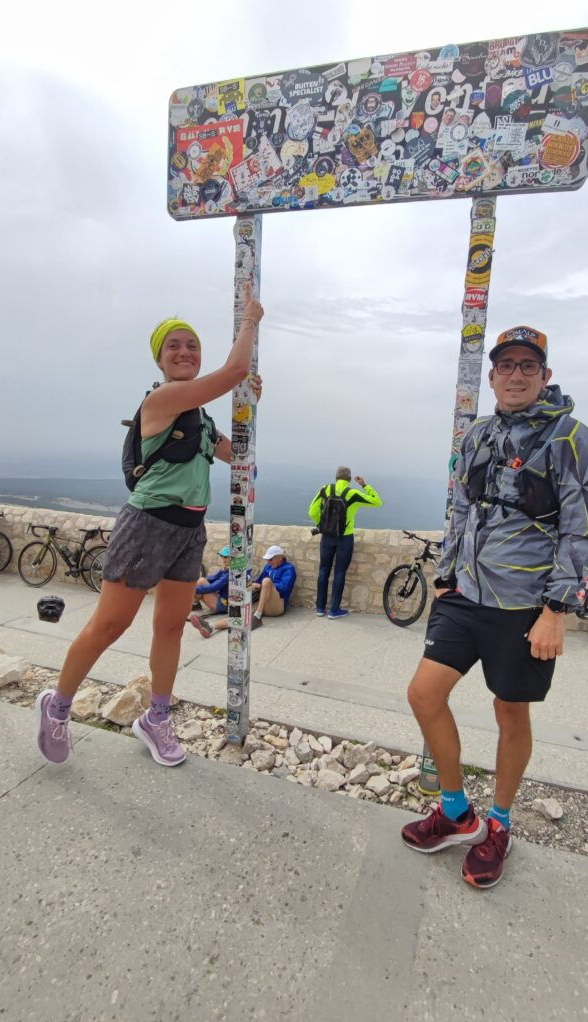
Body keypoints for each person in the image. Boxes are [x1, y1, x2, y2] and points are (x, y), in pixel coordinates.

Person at [401, 325, 588, 889]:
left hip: (524, 605)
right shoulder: (479, 434)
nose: (516, 375)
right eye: (506, 365)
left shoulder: (569, 435)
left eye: (527, 367)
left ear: (545, 376)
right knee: (423, 693)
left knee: (510, 714)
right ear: (492, 376)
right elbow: (461, 505)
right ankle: (457, 810)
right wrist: (444, 574)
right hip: (464, 595)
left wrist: (556, 610)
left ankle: (501, 824)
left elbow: (579, 525)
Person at [34, 283, 264, 767]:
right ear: (159, 360)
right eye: (173, 345)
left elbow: (235, 455)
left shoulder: (199, 418)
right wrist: (250, 323)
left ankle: (156, 718)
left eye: (191, 344)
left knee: (171, 628)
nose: (184, 351)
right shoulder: (161, 401)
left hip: (189, 530)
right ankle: (57, 707)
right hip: (147, 525)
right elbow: (236, 368)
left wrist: (249, 404)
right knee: (109, 625)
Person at [308, 467, 382, 619]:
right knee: (339, 573)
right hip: (345, 538)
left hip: (327, 536)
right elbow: (377, 502)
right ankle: (334, 610)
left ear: (336, 477)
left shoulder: (325, 489)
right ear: (349, 480)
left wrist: (322, 525)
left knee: (323, 571)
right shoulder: (352, 494)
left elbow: (312, 511)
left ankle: (320, 608)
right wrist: (364, 485)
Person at [190, 544, 296, 637]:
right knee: (241, 615)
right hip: (262, 602)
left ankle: (257, 615)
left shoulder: (289, 569)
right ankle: (211, 626)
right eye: (267, 559)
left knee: (267, 581)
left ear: (280, 557)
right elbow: (259, 581)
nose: (268, 562)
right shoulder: (268, 566)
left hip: (277, 605)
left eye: (270, 559)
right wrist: (253, 585)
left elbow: (284, 588)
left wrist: (263, 586)